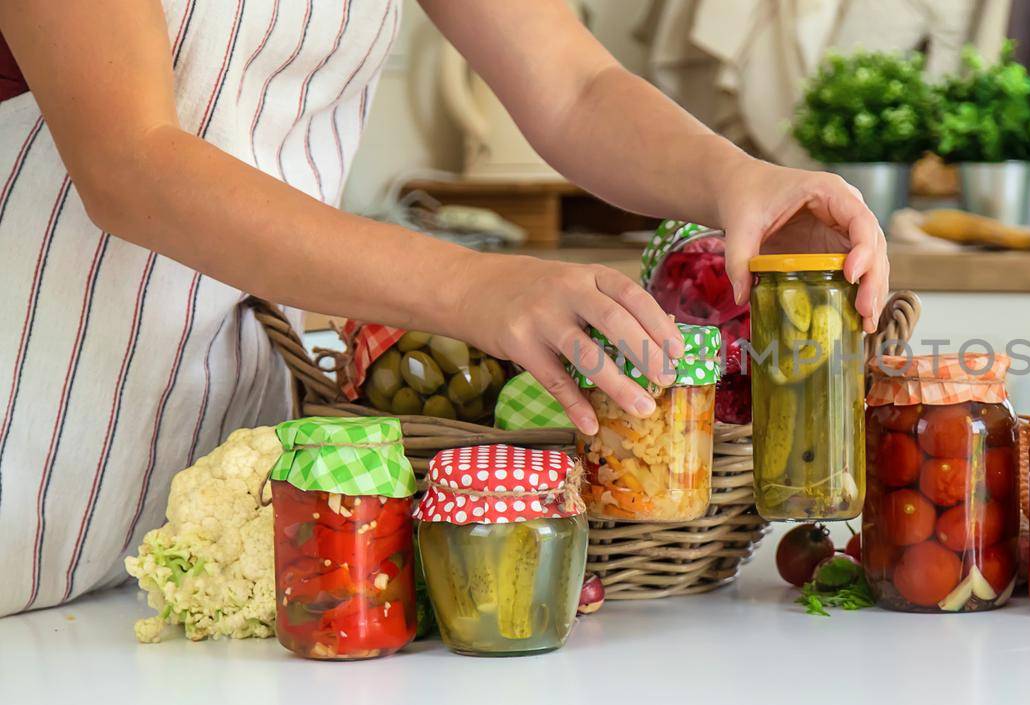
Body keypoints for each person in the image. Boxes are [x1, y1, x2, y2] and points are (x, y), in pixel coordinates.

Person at [0, 0, 888, 617]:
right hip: (25, 425)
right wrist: (475, 288)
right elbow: (132, 166)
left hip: (212, 468)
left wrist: (741, 178)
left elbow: (573, 88)